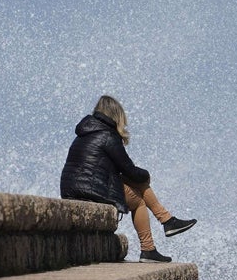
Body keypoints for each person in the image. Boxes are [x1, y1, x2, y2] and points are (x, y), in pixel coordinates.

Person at [60, 95, 196, 263]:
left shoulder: (85, 132)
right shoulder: (108, 135)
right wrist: (146, 176)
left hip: (73, 187)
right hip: (90, 189)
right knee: (138, 200)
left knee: (136, 183)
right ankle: (150, 246)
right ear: (117, 116)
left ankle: (167, 221)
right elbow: (129, 169)